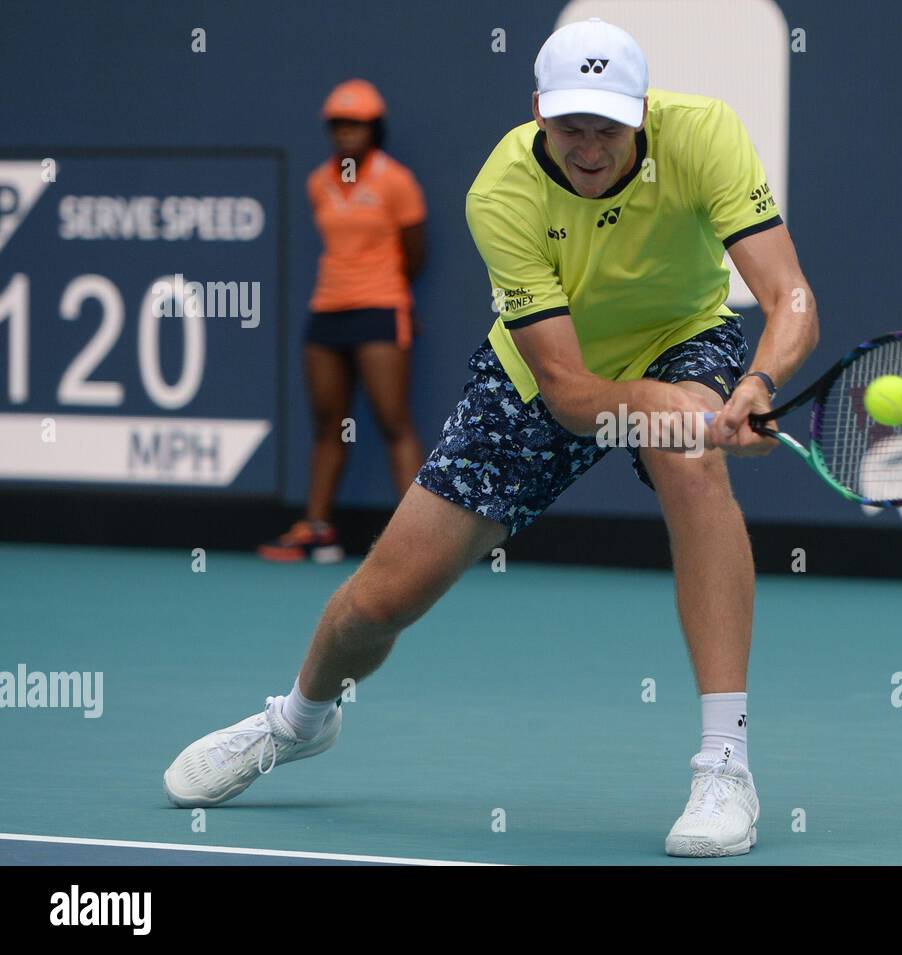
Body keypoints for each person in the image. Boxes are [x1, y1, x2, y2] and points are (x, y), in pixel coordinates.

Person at [165, 19, 818, 858]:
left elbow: (788, 293)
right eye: (571, 126)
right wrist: (671, 405)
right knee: (381, 600)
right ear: (538, 109)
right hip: (546, 375)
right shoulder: (501, 192)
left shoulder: (705, 135)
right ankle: (296, 720)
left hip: (683, 331)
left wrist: (754, 385)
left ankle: (725, 763)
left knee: (690, 461)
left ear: (644, 114)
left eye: (610, 128)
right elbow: (573, 394)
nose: (590, 148)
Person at [258, 79, 428, 564]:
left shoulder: (396, 181)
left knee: (394, 423)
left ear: (374, 129)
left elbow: (415, 253)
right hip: (327, 311)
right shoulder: (318, 182)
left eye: (355, 123)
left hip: (380, 308)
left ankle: (417, 540)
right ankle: (318, 530)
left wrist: (389, 294)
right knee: (327, 424)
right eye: (338, 124)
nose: (345, 133)